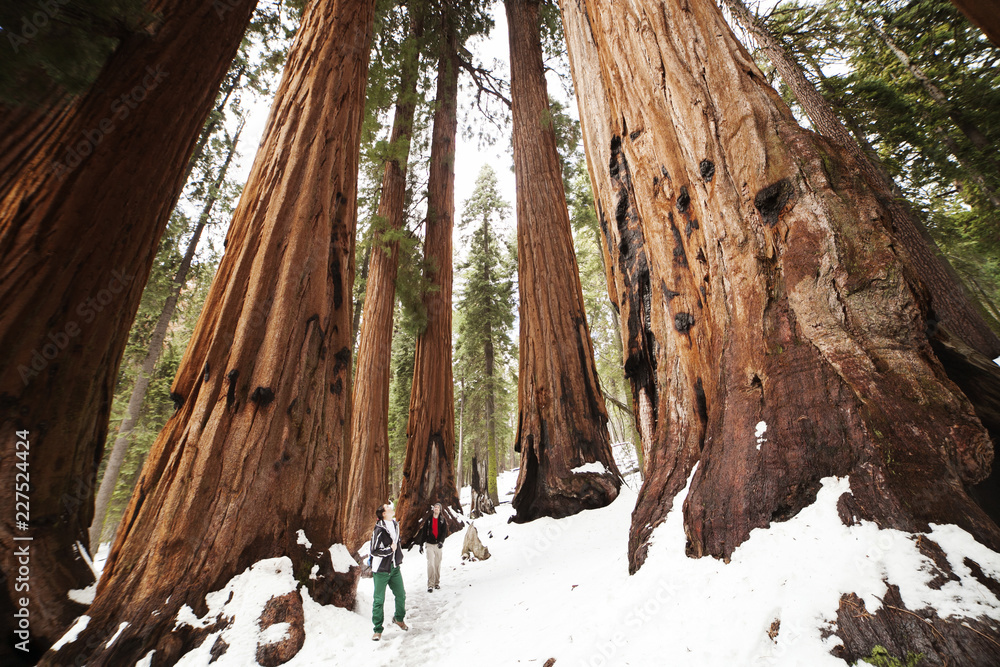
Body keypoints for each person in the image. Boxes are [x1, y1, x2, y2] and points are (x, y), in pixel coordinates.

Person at [369, 503, 407, 641]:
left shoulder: (395, 525)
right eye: (387, 507)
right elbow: (373, 550)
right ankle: (377, 629)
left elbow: (397, 543)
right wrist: (389, 550)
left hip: (395, 568)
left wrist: (398, 554)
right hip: (381, 570)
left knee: (401, 595)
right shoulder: (378, 529)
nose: (391, 507)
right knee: (379, 600)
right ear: (383, 514)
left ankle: (399, 619)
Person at [416, 502, 450, 592]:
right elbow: (423, 532)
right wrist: (421, 545)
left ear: (440, 510)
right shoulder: (429, 520)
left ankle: (436, 583)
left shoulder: (442, 520)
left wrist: (441, 542)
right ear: (433, 509)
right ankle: (430, 584)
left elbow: (444, 533)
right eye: (435, 507)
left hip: (438, 545)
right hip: (429, 544)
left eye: (438, 507)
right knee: (430, 564)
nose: (436, 508)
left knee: (437, 564)